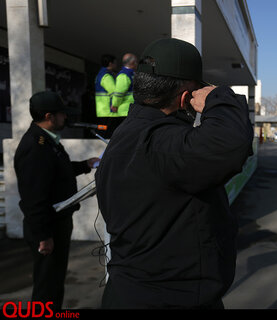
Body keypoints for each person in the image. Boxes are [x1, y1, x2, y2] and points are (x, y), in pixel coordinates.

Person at [95, 38, 253, 309]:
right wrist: (220, 98)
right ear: (185, 97)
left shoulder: (126, 134)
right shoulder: (163, 143)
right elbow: (231, 144)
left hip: (131, 291)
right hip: (169, 298)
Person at [14, 91, 100, 309]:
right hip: (48, 227)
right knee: (47, 286)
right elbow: (33, 197)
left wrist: (85, 165)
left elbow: (57, 171)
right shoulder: (35, 147)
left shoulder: (47, 141)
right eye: (63, 115)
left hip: (57, 222)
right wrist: (44, 236)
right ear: (49, 116)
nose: (66, 119)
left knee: (54, 283)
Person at [94, 54, 117, 138]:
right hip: (108, 110)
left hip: (102, 109)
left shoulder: (100, 74)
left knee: (102, 131)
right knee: (107, 134)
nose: (116, 65)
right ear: (110, 64)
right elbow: (114, 92)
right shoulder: (106, 76)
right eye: (115, 63)